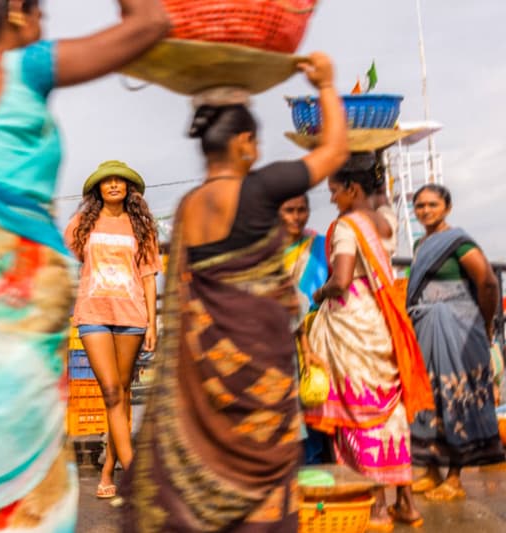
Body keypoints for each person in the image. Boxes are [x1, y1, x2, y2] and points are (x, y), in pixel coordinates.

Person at [0, 1, 169, 531]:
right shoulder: (26, 68)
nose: (45, 25)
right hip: (18, 316)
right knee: (32, 478)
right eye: (40, 12)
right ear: (17, 14)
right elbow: (152, 23)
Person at [121, 53, 348, 532]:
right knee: (264, 485)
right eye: (256, 140)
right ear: (245, 142)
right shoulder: (261, 188)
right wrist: (326, 85)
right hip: (260, 371)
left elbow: (182, 295)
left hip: (209, 376)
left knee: (212, 464)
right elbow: (334, 153)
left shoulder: (188, 207)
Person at [304, 153, 435, 531]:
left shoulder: (347, 225)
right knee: (389, 411)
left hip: (353, 324)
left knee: (359, 414)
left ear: (352, 188)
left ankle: (376, 507)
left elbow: (342, 279)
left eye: (334, 191)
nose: (331, 199)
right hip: (382, 321)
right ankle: (406, 503)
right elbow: (381, 198)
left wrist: (320, 294)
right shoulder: (387, 221)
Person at [64, 160, 161, 499]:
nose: (115, 185)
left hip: (131, 317)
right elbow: (64, 260)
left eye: (121, 180)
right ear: (99, 189)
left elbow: (148, 276)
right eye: (108, 181)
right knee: (109, 391)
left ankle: (108, 471)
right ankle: (134, 473)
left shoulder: (142, 228)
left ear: (129, 189)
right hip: (93, 314)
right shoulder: (82, 223)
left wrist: (151, 322)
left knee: (119, 394)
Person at [407, 184, 504, 501]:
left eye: (432, 205)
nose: (425, 211)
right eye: (419, 205)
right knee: (430, 398)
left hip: (458, 330)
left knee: (456, 396)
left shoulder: (459, 242)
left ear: (447, 207)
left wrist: (484, 322)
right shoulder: (421, 244)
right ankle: (432, 470)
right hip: (427, 330)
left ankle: (454, 478)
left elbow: (488, 281)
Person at [279, 195, 332, 465]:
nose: (296, 216)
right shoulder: (267, 254)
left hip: (320, 335)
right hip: (279, 340)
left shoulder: (322, 247)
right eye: (289, 210)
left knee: (317, 401)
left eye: (302, 210)